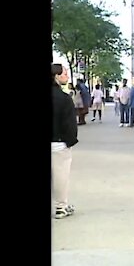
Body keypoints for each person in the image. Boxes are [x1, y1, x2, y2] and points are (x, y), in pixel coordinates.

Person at [52, 63, 78, 219]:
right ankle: (61, 206)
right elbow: (69, 124)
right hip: (59, 143)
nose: (67, 76)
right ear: (57, 76)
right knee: (61, 176)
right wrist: (70, 141)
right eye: (65, 74)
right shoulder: (64, 99)